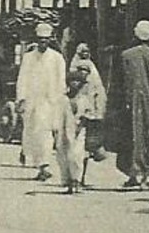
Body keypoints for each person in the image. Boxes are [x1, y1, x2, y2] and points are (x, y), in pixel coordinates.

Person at [108, 20, 149, 190]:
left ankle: (132, 175)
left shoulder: (125, 56)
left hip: (131, 103)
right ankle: (145, 177)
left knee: (132, 136)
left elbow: (117, 85)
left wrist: (114, 106)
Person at [16, 21, 68, 183]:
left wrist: (60, 101)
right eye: (40, 39)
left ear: (50, 39)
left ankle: (44, 165)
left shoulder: (57, 58)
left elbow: (61, 81)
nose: (43, 42)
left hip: (50, 102)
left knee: (45, 133)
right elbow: (22, 78)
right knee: (34, 133)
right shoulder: (29, 57)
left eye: (46, 39)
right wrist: (21, 99)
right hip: (32, 101)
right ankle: (39, 164)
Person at [64, 42, 107, 177]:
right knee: (78, 145)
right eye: (82, 51)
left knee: (86, 145)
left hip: (91, 108)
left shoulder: (92, 67)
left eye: (87, 51)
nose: (85, 54)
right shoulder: (75, 66)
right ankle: (77, 175)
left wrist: (98, 108)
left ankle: (81, 175)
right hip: (79, 107)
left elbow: (98, 88)